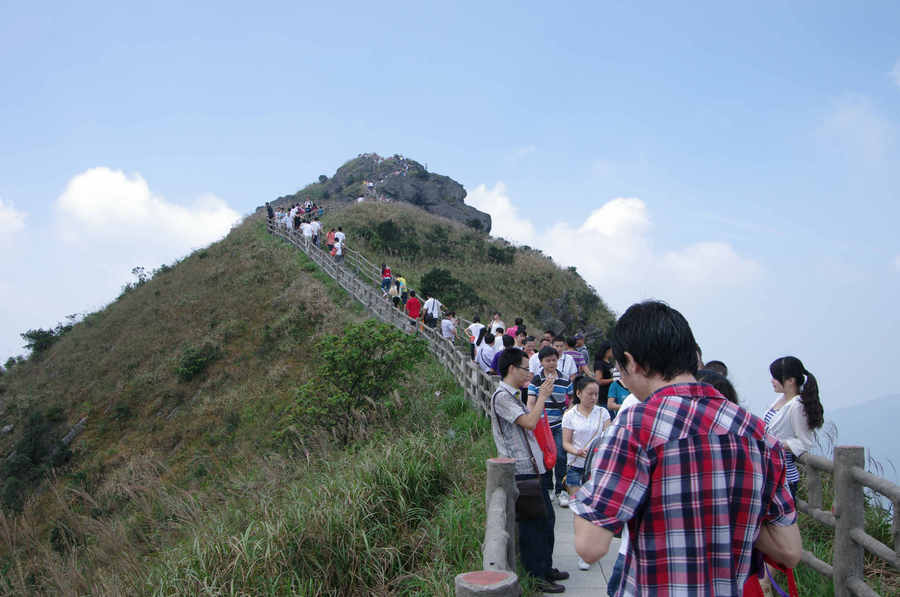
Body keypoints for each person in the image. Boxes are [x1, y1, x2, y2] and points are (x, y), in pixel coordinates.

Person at [571, 301, 801, 596]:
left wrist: (585, 491)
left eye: (620, 370)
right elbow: (789, 550)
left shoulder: (635, 426)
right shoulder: (757, 434)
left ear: (632, 362)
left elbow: (590, 546)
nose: (624, 381)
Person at [490, 348, 568, 593]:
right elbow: (530, 422)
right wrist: (543, 395)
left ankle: (546, 568)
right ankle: (537, 576)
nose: (529, 373)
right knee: (533, 526)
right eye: (525, 368)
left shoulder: (514, 395)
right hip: (522, 471)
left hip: (534, 469)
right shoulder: (502, 397)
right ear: (512, 368)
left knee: (546, 520)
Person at [561, 375, 611, 571]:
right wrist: (577, 451)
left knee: (595, 508)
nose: (593, 397)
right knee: (579, 511)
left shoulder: (603, 413)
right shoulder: (570, 415)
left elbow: (608, 436)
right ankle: (582, 552)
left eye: (596, 394)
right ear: (578, 393)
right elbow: (565, 443)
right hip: (576, 466)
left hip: (597, 467)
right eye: (590, 393)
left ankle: (592, 547)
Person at [765, 356, 823, 499]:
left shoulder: (797, 405)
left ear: (790, 380)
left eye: (776, 377)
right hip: (771, 470)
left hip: (785, 475)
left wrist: (779, 443)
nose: (772, 381)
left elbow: (805, 442)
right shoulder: (782, 399)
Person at [528, 346, 573, 507]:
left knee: (561, 456)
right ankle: (548, 487)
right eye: (548, 360)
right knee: (545, 456)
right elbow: (531, 402)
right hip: (542, 425)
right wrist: (531, 419)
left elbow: (572, 397)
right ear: (541, 362)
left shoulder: (565, 379)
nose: (552, 363)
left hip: (560, 423)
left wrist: (569, 412)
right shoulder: (536, 380)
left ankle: (561, 490)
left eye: (554, 359)